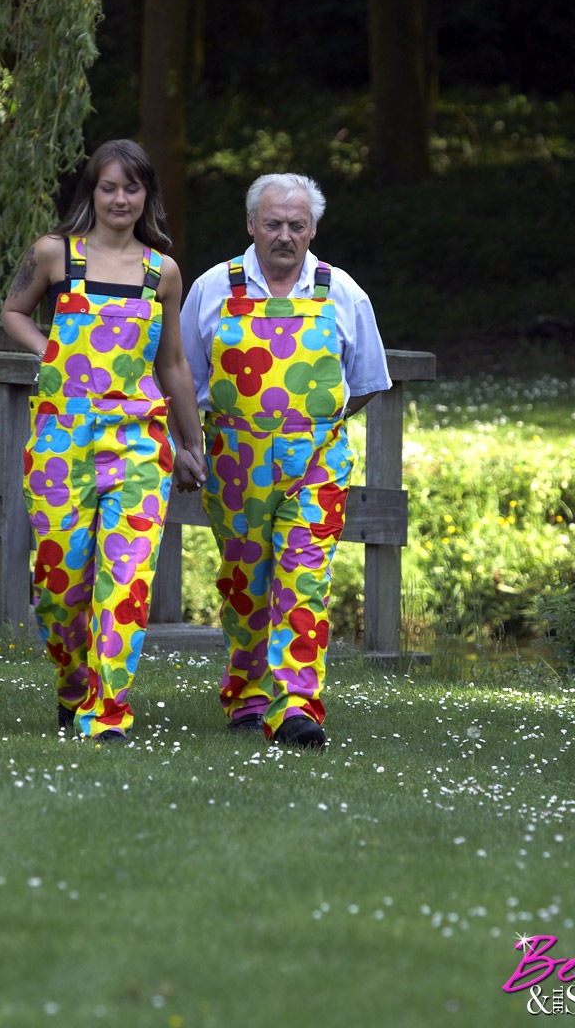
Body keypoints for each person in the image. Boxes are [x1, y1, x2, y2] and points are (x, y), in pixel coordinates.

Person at [1, 140, 206, 742]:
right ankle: (74, 686)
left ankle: (107, 711)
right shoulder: (54, 253)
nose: (120, 199)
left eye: (132, 188)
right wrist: (51, 351)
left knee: (127, 584)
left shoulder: (162, 272)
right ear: (91, 192)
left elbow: (173, 364)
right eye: (109, 187)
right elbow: (13, 312)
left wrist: (191, 445)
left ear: (147, 195)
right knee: (59, 585)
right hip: (60, 446)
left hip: (139, 446)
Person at [180, 172, 391, 748]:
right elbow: (182, 379)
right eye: (272, 223)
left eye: (297, 225)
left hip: (316, 464)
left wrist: (307, 427)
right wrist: (187, 447)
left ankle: (296, 707)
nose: (284, 235)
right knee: (245, 584)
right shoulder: (212, 288)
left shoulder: (342, 291)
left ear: (313, 229)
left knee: (304, 581)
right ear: (251, 224)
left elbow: (366, 383)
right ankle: (249, 698)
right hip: (233, 464)